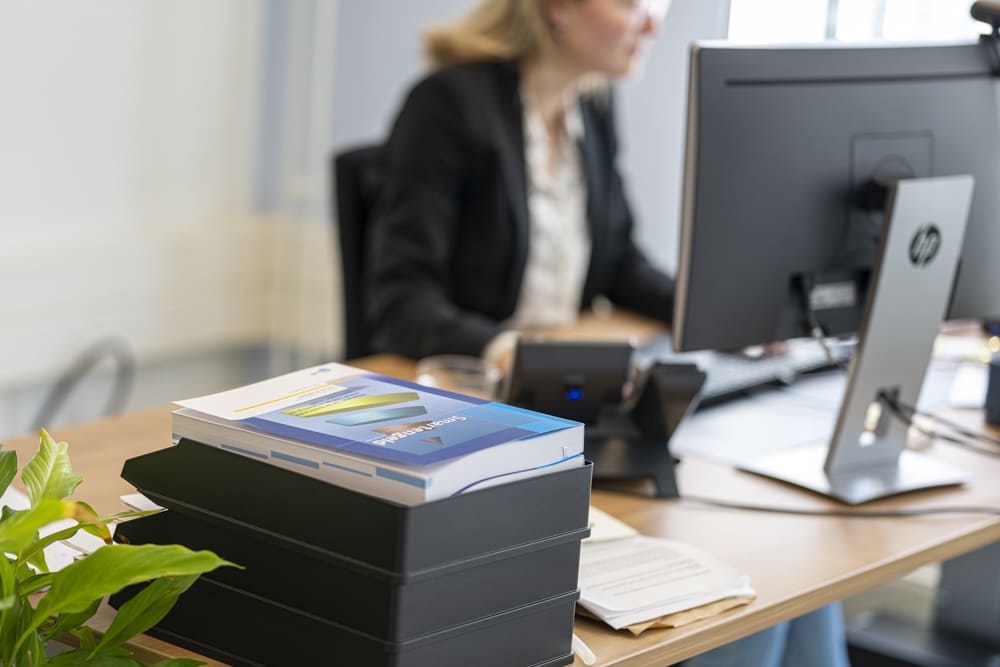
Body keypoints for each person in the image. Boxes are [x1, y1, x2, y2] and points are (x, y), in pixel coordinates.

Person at [366, 2, 852, 666]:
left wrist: (719, 313)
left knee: (801, 580)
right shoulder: (449, 104)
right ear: (559, 8)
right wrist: (503, 347)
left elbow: (621, 262)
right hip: (480, 416)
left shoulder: (589, 109)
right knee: (752, 595)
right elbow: (401, 297)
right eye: (632, 2)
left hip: (562, 399)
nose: (654, 21)